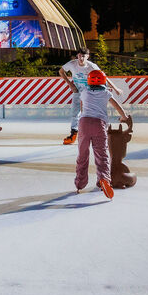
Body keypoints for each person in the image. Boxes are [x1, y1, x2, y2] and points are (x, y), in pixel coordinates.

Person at [74, 69, 129, 198]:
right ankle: (104, 179)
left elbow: (82, 109)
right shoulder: (106, 93)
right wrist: (124, 117)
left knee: (82, 154)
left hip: (84, 123)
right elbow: (118, 107)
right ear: (103, 81)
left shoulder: (84, 92)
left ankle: (79, 184)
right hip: (99, 124)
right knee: (102, 154)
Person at [58, 48, 121, 144]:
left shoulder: (92, 66)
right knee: (75, 113)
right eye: (79, 56)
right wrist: (71, 84)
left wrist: (115, 88)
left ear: (87, 57)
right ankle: (74, 133)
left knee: (88, 113)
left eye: (83, 56)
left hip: (89, 93)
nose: (81, 58)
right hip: (78, 92)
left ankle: (93, 132)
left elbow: (104, 76)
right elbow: (61, 71)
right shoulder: (72, 64)